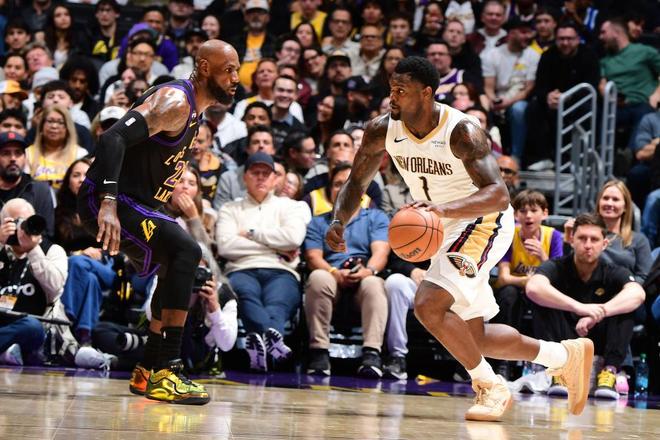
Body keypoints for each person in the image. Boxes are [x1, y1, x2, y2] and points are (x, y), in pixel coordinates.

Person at [325, 56, 594, 421]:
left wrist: (443, 209)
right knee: (471, 337)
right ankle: (563, 356)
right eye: (391, 89)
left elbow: (498, 194)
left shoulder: (461, 131)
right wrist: (339, 219)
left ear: (427, 93)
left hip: (483, 221)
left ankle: (490, 385)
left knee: (428, 304)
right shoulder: (382, 129)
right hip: (444, 225)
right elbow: (357, 181)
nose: (392, 97)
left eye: (401, 91)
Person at [77, 40, 240, 405]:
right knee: (185, 250)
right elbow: (112, 138)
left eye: (237, 70)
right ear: (203, 68)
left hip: (136, 203)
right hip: (108, 199)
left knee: (176, 261)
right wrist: (108, 203)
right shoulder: (175, 101)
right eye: (228, 70)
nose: (235, 78)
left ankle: (148, 369)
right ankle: (168, 370)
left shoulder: (195, 113)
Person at [526, 213, 646, 400]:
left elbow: (638, 293)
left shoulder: (613, 271)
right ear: (571, 240)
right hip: (565, 338)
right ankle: (559, 370)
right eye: (582, 238)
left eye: (594, 239)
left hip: (599, 338)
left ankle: (609, 372)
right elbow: (533, 287)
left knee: (625, 304)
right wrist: (579, 307)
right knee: (542, 299)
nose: (588, 245)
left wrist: (599, 313)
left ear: (604, 244)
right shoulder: (557, 266)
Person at [217, 152, 311, 372]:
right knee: (245, 294)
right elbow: (225, 246)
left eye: (266, 173)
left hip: (281, 270)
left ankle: (260, 349)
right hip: (241, 269)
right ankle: (273, 346)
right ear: (245, 177)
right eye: (255, 172)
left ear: (275, 179)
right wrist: (277, 247)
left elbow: (293, 238)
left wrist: (251, 233)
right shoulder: (230, 208)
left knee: (277, 302)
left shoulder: (291, 207)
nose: (260, 177)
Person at [305, 162, 390, 378]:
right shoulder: (318, 222)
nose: (342, 190)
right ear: (330, 190)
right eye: (337, 185)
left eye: (349, 185)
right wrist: (334, 273)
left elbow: (381, 252)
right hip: (331, 275)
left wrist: (368, 271)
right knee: (318, 277)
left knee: (374, 283)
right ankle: (319, 352)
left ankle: (372, 353)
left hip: (363, 275)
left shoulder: (376, 217)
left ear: (361, 192)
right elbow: (313, 257)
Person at [0, 198, 67, 366]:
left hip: (29, 326)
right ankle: (5, 351)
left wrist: (33, 250)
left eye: (27, 222)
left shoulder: (52, 251)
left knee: (32, 327)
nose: (23, 229)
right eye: (18, 222)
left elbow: (55, 289)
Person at [0, 131, 55, 236]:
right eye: (6, 153)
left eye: (18, 153)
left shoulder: (40, 190)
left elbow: (48, 235)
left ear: (25, 158)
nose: (13, 159)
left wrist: (33, 240)